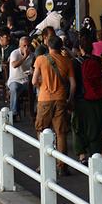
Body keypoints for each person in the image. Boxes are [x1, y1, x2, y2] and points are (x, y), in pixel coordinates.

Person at [32, 35, 76, 174]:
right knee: (61, 132)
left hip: (44, 99)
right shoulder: (67, 61)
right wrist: (69, 99)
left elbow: (34, 81)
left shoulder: (40, 59)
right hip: (61, 98)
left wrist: (42, 85)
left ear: (48, 46)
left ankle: (45, 163)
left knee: (41, 129)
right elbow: (73, 84)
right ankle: (62, 166)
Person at [72, 35, 102, 164]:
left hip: (80, 99)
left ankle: (82, 155)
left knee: (78, 127)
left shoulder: (75, 62)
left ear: (80, 48)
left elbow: (72, 82)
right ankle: (96, 154)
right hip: (96, 100)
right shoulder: (97, 61)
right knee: (96, 127)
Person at [7, 35, 34, 122]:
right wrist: (25, 56)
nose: (27, 48)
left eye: (28, 46)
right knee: (14, 88)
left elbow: (34, 68)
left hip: (26, 80)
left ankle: (35, 111)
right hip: (15, 80)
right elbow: (14, 65)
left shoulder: (33, 55)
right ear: (20, 46)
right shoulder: (14, 53)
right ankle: (13, 113)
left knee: (37, 88)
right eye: (24, 46)